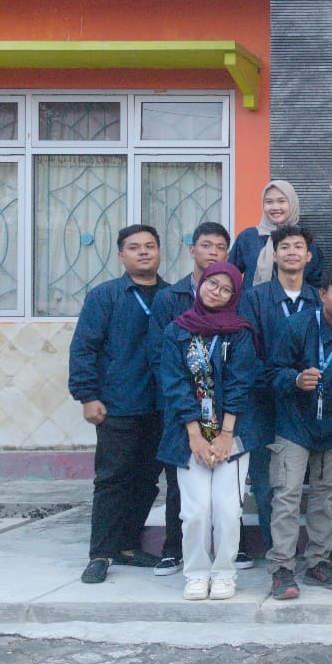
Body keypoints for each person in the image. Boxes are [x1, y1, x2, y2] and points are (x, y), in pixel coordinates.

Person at [264, 265, 332, 600]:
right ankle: (282, 568)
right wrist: (295, 380)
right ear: (322, 294)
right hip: (295, 426)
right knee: (287, 495)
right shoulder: (296, 326)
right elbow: (271, 373)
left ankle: (318, 563)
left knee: (325, 499)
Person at [69, 224, 168, 584]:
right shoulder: (105, 296)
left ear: (160, 252)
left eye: (150, 246)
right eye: (134, 247)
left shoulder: (172, 296)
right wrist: (87, 396)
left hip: (161, 406)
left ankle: (127, 544)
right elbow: (84, 348)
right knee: (112, 479)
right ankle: (101, 553)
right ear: (121, 255)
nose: (143, 252)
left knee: (147, 480)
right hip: (118, 404)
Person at [155, 262, 258, 601]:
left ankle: (224, 572)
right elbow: (173, 383)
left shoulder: (240, 332)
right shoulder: (177, 331)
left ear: (234, 296)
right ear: (200, 284)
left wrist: (226, 434)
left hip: (233, 436)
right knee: (196, 511)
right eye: (212, 283)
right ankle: (197, 572)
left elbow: (242, 382)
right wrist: (196, 435)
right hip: (189, 438)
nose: (217, 291)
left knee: (228, 509)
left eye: (226, 288)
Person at [145, 221, 231, 576]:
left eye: (220, 247)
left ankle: (224, 552)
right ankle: (173, 549)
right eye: (206, 245)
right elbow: (158, 355)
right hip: (181, 406)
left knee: (222, 492)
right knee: (181, 483)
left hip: (222, 409)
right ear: (192, 250)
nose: (213, 252)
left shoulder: (231, 297)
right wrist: (184, 406)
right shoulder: (171, 298)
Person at [237, 223, 320, 561]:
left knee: (323, 484)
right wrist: (284, 380)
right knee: (268, 484)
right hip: (265, 403)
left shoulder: (319, 299)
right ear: (273, 255)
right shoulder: (254, 299)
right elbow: (247, 354)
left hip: (313, 404)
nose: (291, 253)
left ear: (308, 256)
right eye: (283, 247)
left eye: (298, 247)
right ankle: (278, 554)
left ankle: (322, 554)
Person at [230, 179, 324, 290]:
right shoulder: (248, 237)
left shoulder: (304, 241)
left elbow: (316, 285)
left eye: (281, 201)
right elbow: (229, 275)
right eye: (269, 202)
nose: (275, 207)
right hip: (252, 305)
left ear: (292, 203)